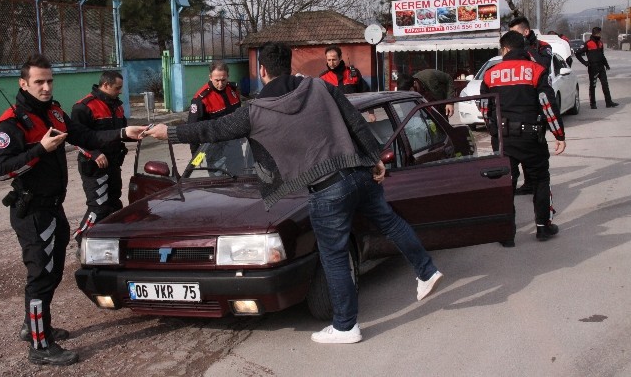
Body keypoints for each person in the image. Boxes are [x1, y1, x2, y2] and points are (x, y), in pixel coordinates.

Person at [146, 42, 443, 344]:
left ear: (262, 70)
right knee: (390, 222)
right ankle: (426, 270)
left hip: (328, 190)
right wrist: (375, 157)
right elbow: (355, 121)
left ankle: (346, 327)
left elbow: (211, 130)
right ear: (288, 65)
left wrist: (168, 132)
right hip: (359, 172)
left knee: (335, 258)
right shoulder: (319, 86)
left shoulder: (255, 111)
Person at [0, 54, 146, 366]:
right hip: (33, 211)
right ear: (24, 83)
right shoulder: (10, 123)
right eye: (39, 82)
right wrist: (40, 150)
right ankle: (40, 345)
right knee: (42, 276)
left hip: (53, 208)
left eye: (49, 80)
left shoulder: (55, 113)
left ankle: (32, 327)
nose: (46, 87)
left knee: (49, 271)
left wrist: (122, 133)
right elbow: (2, 169)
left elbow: (85, 136)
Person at [479, 31, 566, 246]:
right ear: (524, 48)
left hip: (504, 139)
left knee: (506, 184)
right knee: (540, 180)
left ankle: (507, 235)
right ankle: (543, 228)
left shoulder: (491, 74)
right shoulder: (536, 70)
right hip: (532, 137)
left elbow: (484, 106)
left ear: (505, 49)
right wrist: (559, 134)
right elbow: (547, 104)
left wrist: (494, 132)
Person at [71, 71, 128, 244]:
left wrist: (142, 132)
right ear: (105, 85)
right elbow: (75, 137)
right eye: (117, 88)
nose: (120, 91)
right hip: (93, 166)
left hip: (114, 164)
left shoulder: (117, 106)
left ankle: (107, 240)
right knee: (99, 207)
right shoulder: (84, 107)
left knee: (114, 204)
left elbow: (120, 133)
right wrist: (94, 154)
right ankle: (82, 238)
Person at [508, 17, 553, 195]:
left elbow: (543, 64)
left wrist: (526, 47)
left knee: (536, 142)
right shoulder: (515, 49)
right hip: (522, 98)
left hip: (540, 97)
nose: (514, 38)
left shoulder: (543, 46)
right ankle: (527, 183)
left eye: (516, 34)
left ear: (525, 32)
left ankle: (537, 182)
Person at [187, 60, 241, 153]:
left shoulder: (233, 90)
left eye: (223, 80)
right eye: (217, 80)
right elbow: (193, 129)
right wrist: (195, 157)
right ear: (210, 77)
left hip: (235, 144)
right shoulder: (201, 99)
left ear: (228, 76)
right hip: (214, 149)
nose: (220, 84)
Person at [575, 26, 618, 109]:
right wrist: (585, 63)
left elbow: (602, 55)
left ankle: (609, 102)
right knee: (593, 85)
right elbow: (577, 54)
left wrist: (606, 65)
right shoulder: (588, 43)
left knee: (605, 85)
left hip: (601, 67)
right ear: (595, 33)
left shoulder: (600, 43)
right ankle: (593, 104)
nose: (600, 35)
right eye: (599, 33)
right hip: (593, 67)